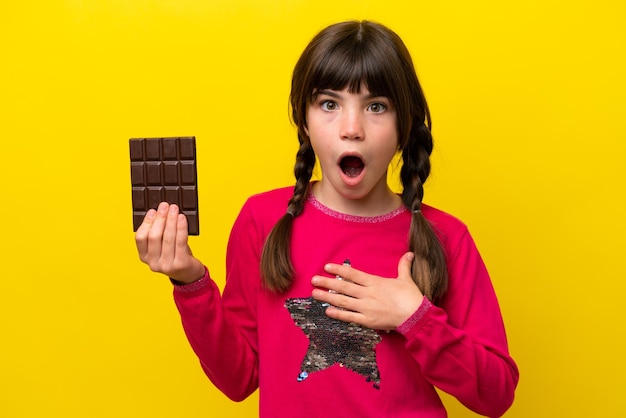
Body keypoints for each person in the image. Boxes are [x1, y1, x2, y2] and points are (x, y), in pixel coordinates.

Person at [135, 20, 519, 418]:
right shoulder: (262, 220)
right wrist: (189, 280)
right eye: (329, 104)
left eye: (377, 107)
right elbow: (238, 379)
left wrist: (414, 317)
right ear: (304, 120)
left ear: (404, 125)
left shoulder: (446, 237)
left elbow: (497, 394)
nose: (352, 129)